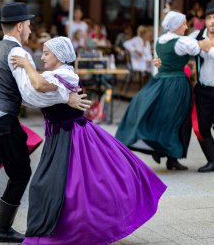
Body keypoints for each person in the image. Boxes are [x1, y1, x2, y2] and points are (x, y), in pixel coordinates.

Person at [10, 36, 167, 245]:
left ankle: (78, 230)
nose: (43, 57)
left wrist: (28, 64)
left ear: (59, 56)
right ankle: (61, 230)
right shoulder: (54, 74)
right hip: (59, 136)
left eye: (47, 53)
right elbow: (33, 92)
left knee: (77, 187)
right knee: (58, 186)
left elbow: (38, 85)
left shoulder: (65, 75)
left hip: (73, 137)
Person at [0, 2, 90, 245]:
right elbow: (31, 94)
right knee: (20, 173)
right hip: (0, 121)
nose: (29, 30)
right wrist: (65, 96)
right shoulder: (18, 53)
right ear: (19, 26)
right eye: (28, 26)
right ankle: (2, 229)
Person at [115, 11, 212, 170]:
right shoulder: (181, 42)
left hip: (159, 82)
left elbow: (185, 42)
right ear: (175, 26)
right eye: (183, 24)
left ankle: (168, 155)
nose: (186, 26)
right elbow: (198, 48)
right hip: (176, 84)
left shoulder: (160, 40)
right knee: (178, 120)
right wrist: (204, 42)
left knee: (163, 116)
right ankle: (164, 151)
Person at [188, 2, 214, 172]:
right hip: (204, 90)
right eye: (210, 18)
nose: (212, 21)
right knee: (203, 127)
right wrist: (158, 59)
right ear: (205, 20)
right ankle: (212, 160)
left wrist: (208, 48)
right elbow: (175, 44)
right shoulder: (196, 36)